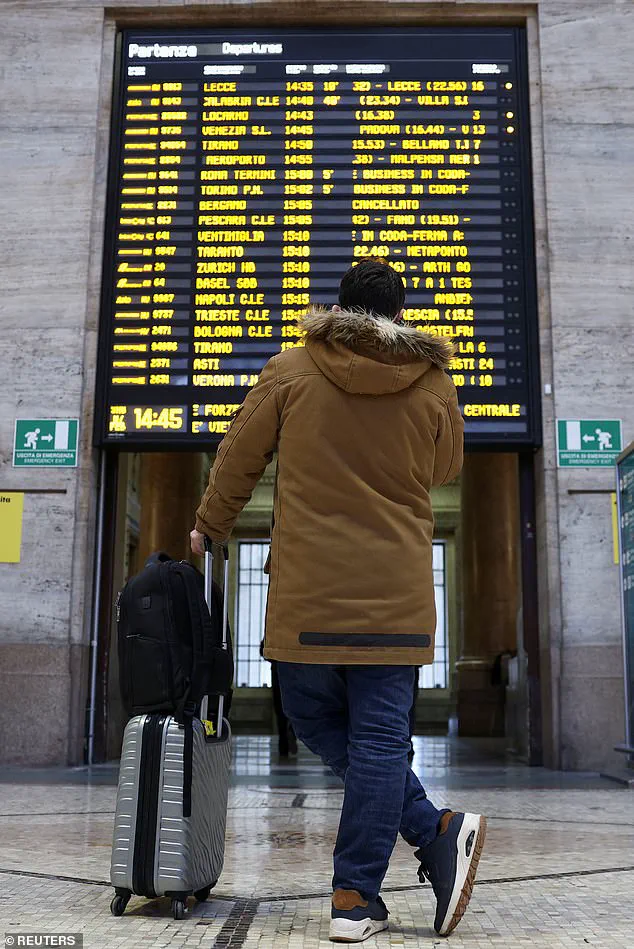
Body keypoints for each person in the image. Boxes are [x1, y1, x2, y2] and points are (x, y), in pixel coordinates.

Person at [191, 260, 486, 942]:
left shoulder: (292, 368)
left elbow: (239, 454)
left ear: (340, 307)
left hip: (307, 595)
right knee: (380, 740)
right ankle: (386, 869)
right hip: (399, 598)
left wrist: (210, 522)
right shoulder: (434, 383)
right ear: (400, 315)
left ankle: (407, 853)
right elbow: (445, 467)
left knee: (311, 715)